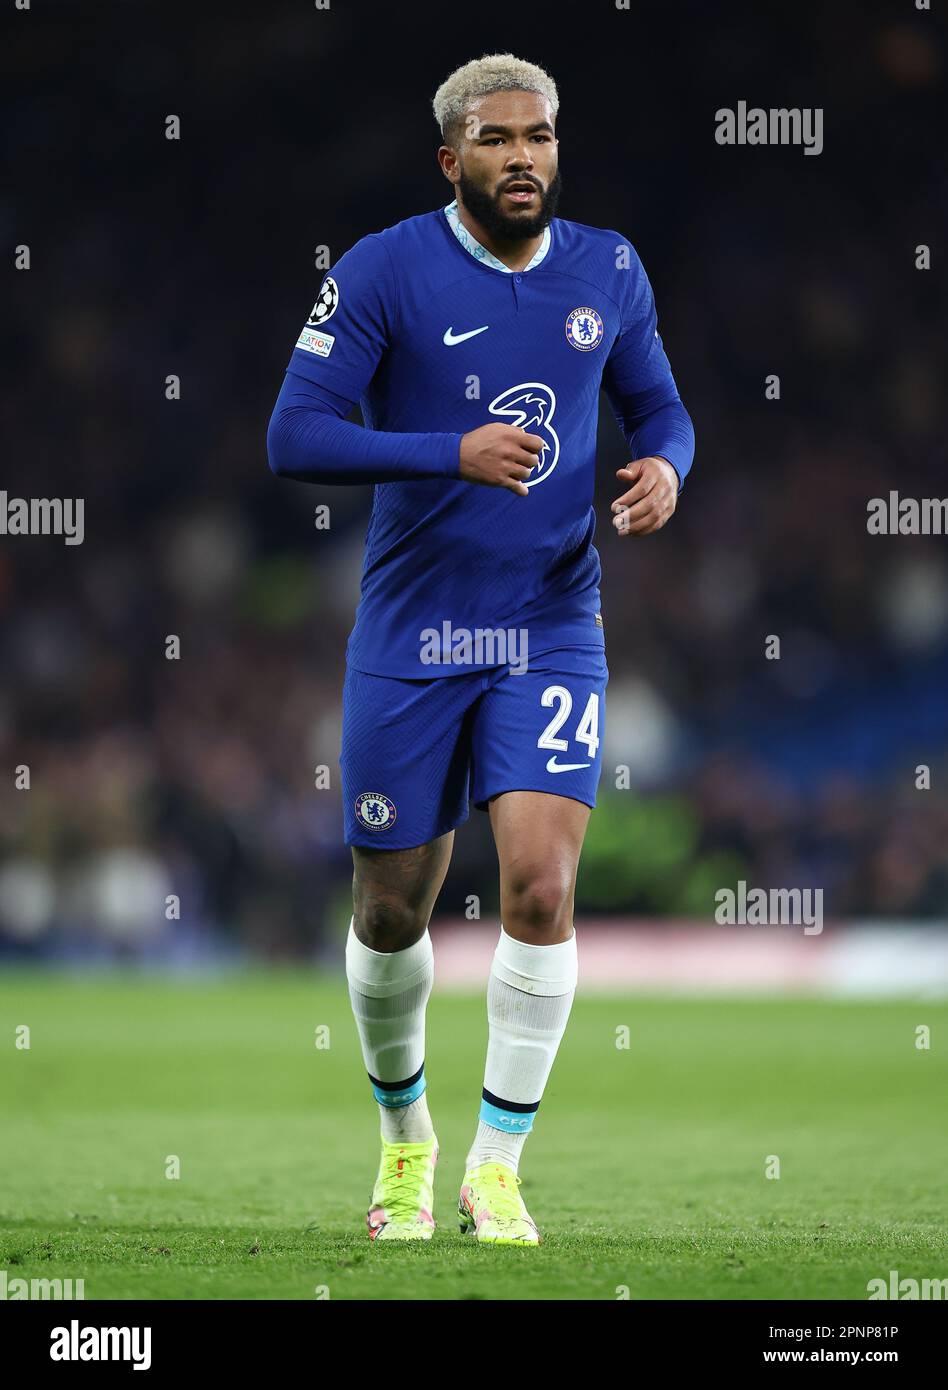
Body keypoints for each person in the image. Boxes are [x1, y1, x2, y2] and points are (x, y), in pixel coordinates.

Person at [267, 52, 695, 1245]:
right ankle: (408, 1143)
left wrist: (668, 465)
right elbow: (292, 433)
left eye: (542, 137)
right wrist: (445, 450)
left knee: (544, 887)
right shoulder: (383, 269)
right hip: (412, 632)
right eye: (499, 141)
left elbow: (661, 405)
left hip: (549, 625)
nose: (526, 158)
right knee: (395, 911)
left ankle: (496, 1168)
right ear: (451, 158)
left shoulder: (610, 268)